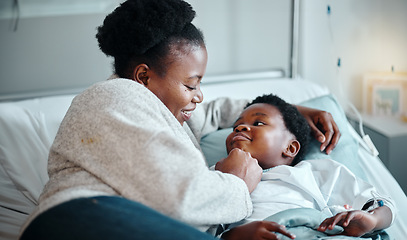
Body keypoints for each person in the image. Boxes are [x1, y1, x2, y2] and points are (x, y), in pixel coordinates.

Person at [20, 0, 341, 239]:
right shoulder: (113, 98)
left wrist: (291, 111)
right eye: (191, 84)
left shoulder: (170, 115)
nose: (198, 96)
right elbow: (180, 198)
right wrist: (238, 184)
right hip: (83, 216)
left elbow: (217, 111)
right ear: (143, 76)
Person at [220, 94, 396, 240]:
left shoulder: (316, 173)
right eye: (235, 127)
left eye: (258, 123)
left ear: (290, 148)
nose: (240, 128)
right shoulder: (216, 174)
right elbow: (201, 225)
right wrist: (234, 236)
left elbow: (383, 206)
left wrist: (373, 220)